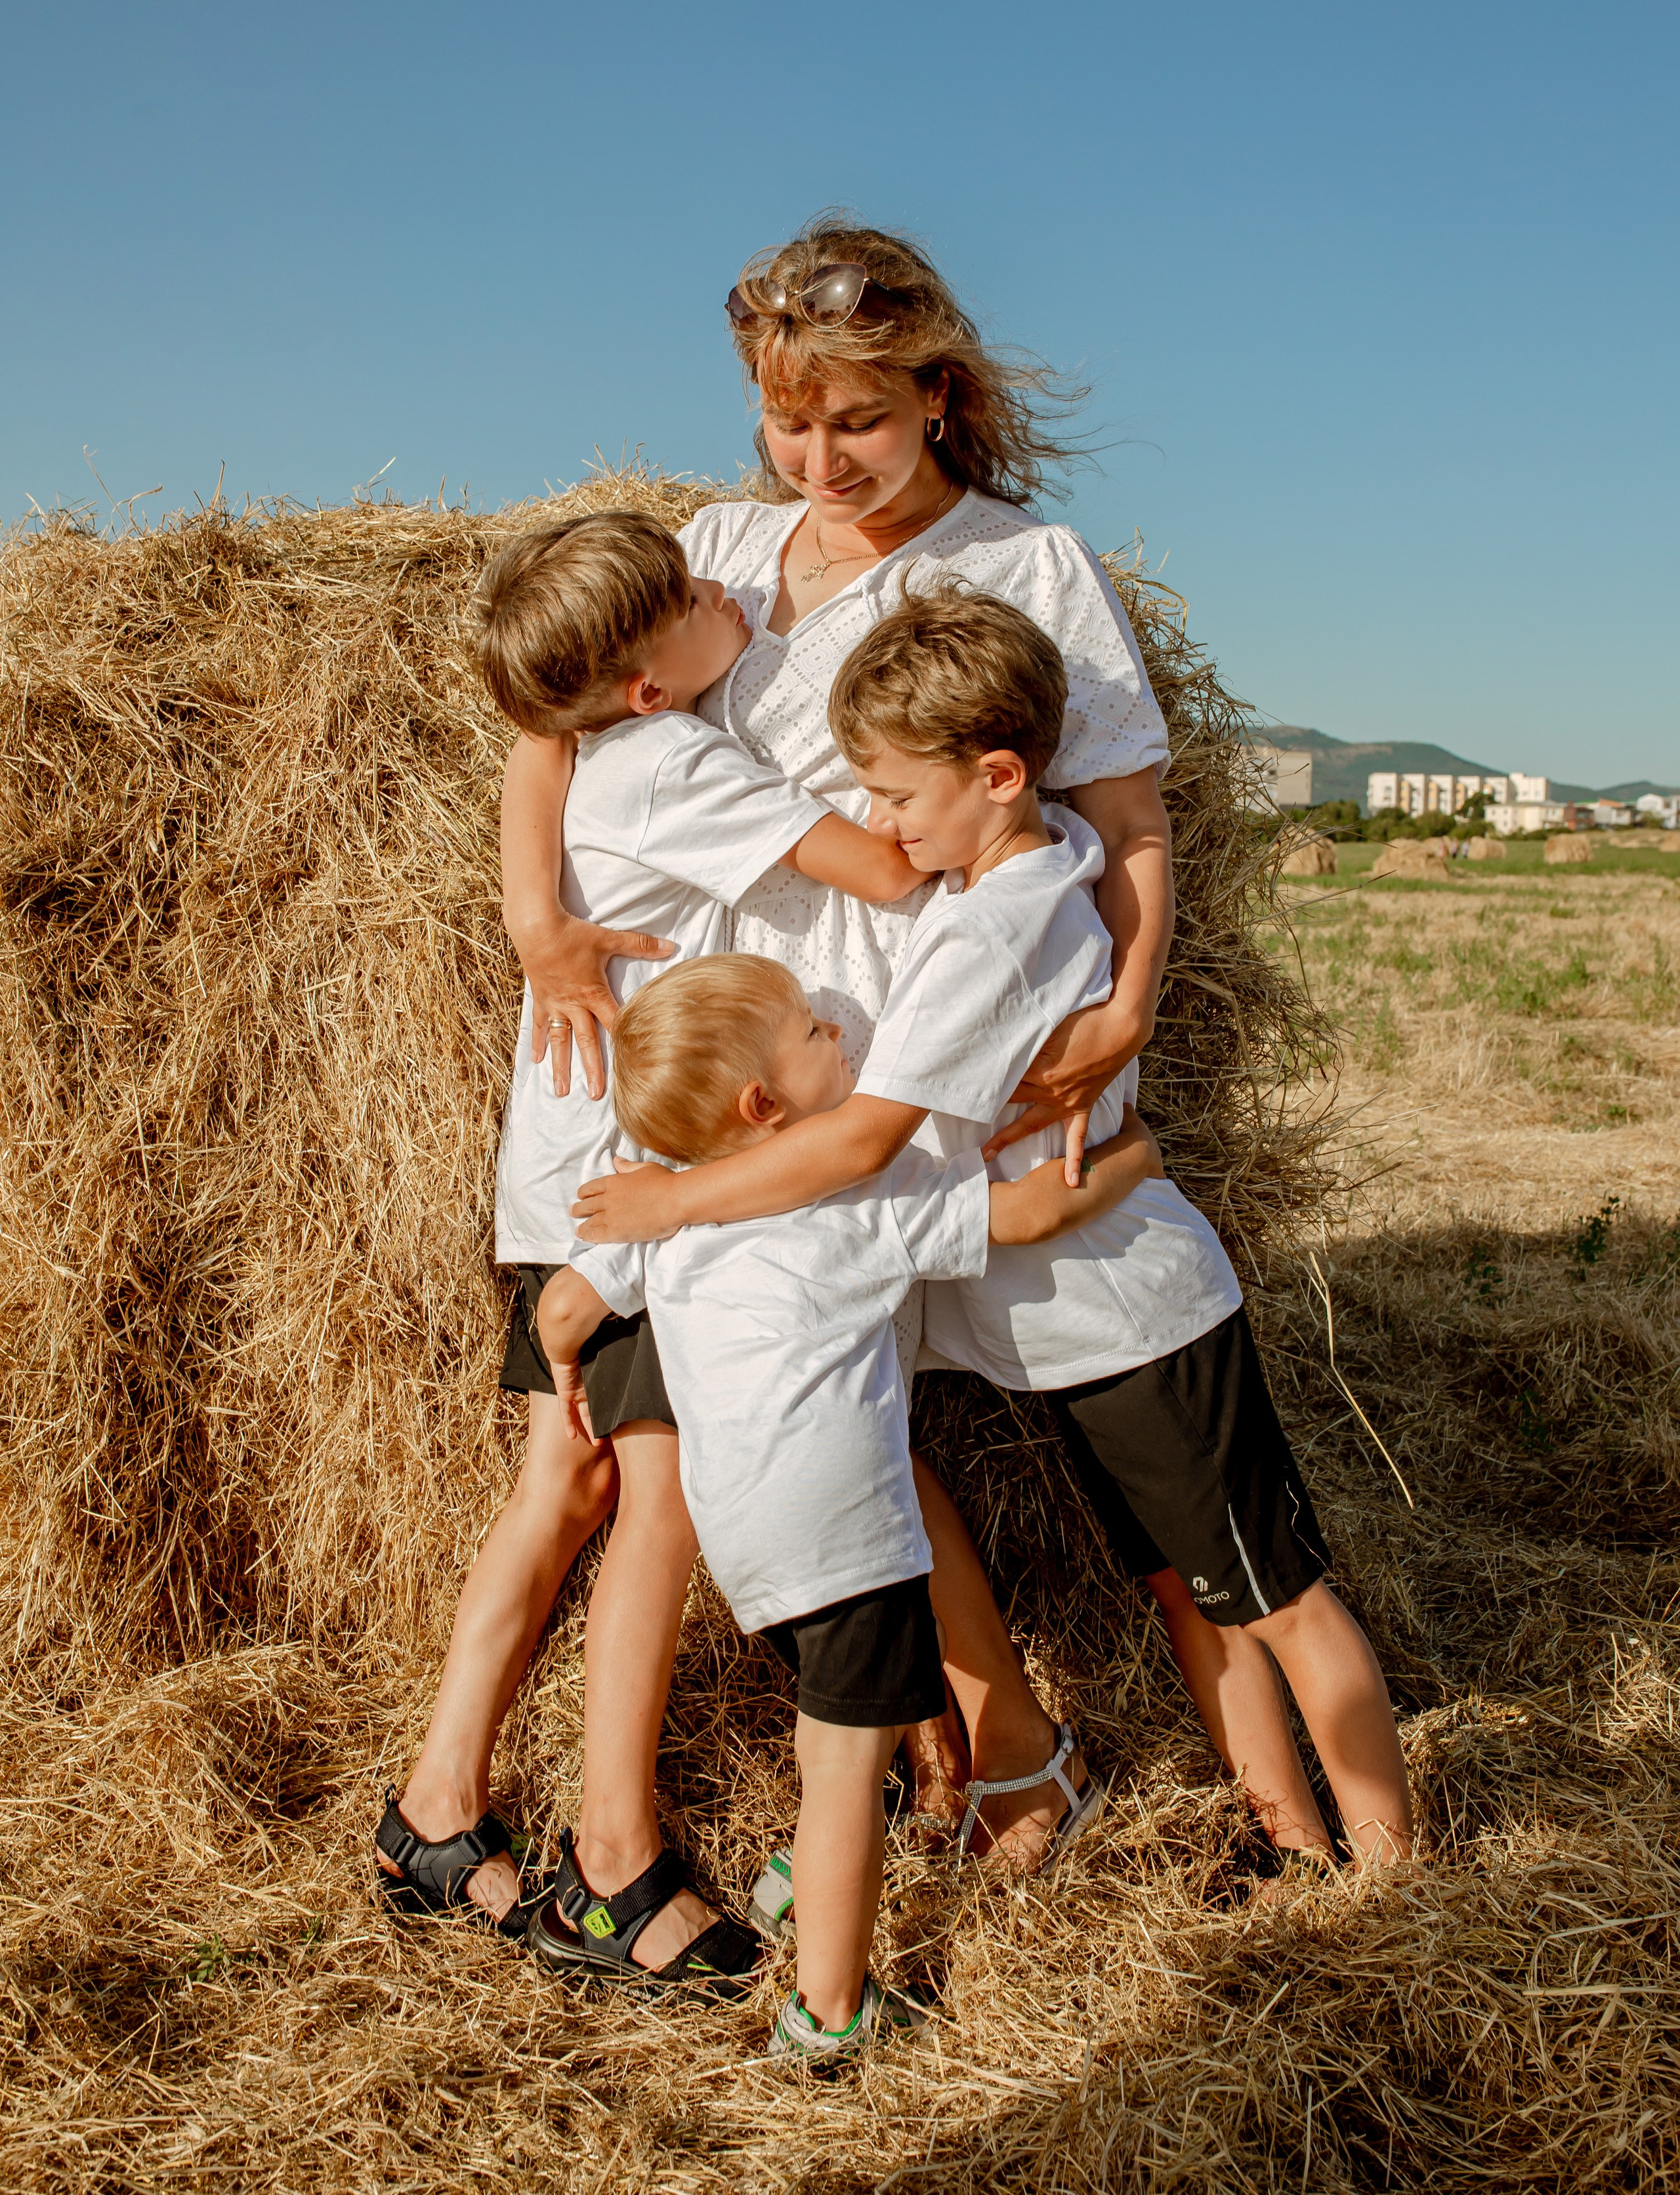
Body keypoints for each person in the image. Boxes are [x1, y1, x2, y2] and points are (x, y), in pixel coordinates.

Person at [503, 217, 1182, 1881]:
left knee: (866, 1402)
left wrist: (1135, 998)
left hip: (907, 1040)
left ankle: (992, 1753)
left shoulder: (1030, 569)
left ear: (936, 393)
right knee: (812, 1398)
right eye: (787, 424)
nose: (819, 461)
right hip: (746, 1054)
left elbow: (1127, 819)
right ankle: (965, 1746)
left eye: (857, 424)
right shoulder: (716, 543)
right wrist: (537, 922)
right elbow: (546, 722)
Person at [577, 590, 1414, 1871]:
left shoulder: (987, 931)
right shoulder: (1040, 863)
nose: (879, 825)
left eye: (899, 799)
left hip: (1132, 1317)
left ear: (1000, 775)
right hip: (1073, 1329)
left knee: (1274, 1595)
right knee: (1196, 1598)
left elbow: (863, 1140)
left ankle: (1389, 1871)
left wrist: (671, 1201)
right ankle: (1292, 1845)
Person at [375, 507, 933, 1971]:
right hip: (620, 1202)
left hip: (559, 1174)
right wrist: (973, 804)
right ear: (640, 685)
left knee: (561, 1487)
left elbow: (533, 741)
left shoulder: (597, 746)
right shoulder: (677, 759)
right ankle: (611, 1858)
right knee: (658, 1498)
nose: (721, 591)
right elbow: (882, 876)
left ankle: (436, 1806)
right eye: (691, 594)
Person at [553, 954, 1165, 2064]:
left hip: (744, 1547)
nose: (837, 1024)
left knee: (836, 1728)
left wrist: (560, 1319)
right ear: (766, 1107)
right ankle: (829, 2013)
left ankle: (796, 1877)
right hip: (848, 1538)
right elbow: (1025, 1213)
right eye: (811, 1031)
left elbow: (586, 1288)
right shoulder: (855, 1200)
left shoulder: (668, 1219)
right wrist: (1136, 1158)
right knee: (840, 1767)